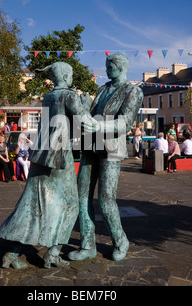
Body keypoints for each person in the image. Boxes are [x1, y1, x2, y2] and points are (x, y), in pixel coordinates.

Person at [0, 61, 97, 269]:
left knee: (33, 204)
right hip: (60, 157)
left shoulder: (48, 96)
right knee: (70, 205)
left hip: (41, 155)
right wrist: (86, 106)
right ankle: (52, 254)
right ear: (67, 77)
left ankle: (13, 253)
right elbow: (86, 122)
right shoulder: (70, 96)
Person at [68, 54, 143, 262]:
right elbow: (91, 117)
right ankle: (87, 245)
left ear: (119, 66)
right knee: (81, 197)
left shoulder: (133, 91)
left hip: (111, 149)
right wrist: (84, 107)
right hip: (91, 146)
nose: (106, 70)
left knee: (105, 199)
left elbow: (125, 123)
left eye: (109, 66)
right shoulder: (102, 89)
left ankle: (120, 241)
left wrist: (100, 125)